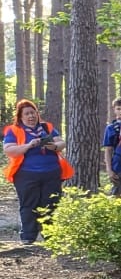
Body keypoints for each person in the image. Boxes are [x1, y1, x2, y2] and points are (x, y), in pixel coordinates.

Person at [3, 100, 72, 244]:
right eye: (27, 114)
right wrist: (28, 146)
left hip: (51, 173)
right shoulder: (13, 130)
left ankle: (50, 236)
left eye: (33, 113)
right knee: (29, 204)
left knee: (50, 203)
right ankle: (28, 237)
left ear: (37, 114)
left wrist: (53, 146)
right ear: (20, 116)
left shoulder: (46, 127)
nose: (31, 116)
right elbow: (9, 150)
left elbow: (61, 143)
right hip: (25, 174)